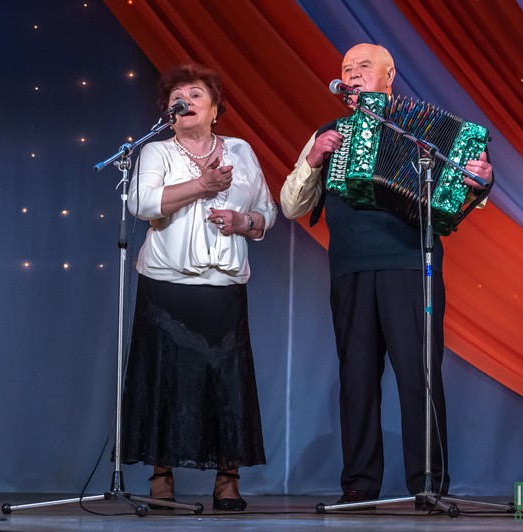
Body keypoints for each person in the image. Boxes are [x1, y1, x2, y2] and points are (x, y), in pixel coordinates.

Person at [280, 43, 493, 505]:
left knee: (420, 375)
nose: (353, 75)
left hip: (410, 266)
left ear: (389, 75)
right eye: (346, 69)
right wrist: (313, 159)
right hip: (350, 269)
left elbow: (460, 198)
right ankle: (359, 484)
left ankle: (428, 483)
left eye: (363, 66)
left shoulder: (425, 133)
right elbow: (292, 205)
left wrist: (481, 182)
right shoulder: (329, 133)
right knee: (356, 377)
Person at [120, 63, 277, 511]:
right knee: (165, 379)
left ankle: (228, 480)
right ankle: (161, 476)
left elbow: (266, 212)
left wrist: (244, 220)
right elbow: (142, 203)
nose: (184, 101)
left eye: (195, 94)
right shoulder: (156, 152)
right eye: (177, 96)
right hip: (167, 285)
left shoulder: (241, 151)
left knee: (225, 382)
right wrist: (201, 185)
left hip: (223, 287)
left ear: (215, 110)